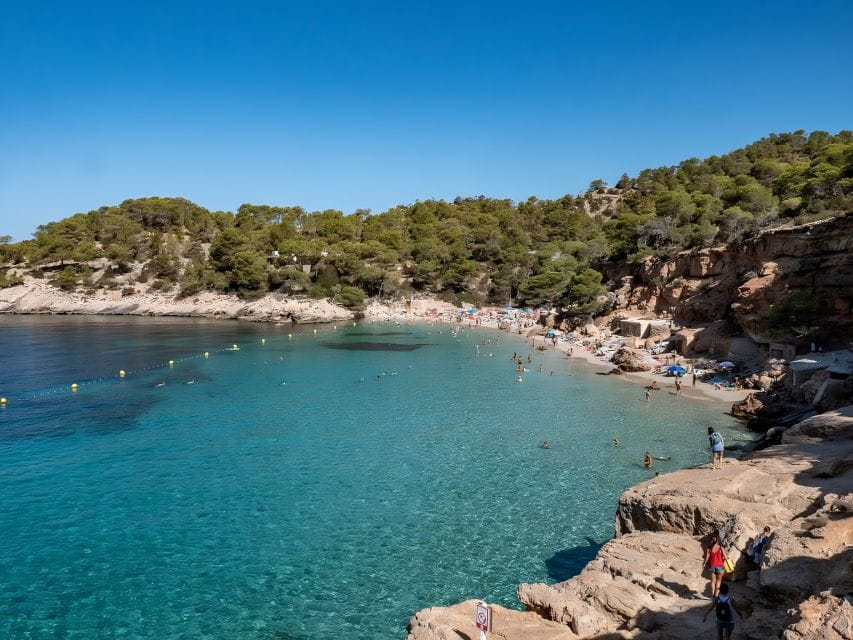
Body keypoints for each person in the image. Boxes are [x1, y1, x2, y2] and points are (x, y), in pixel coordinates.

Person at [703, 533, 728, 598]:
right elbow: (725, 557)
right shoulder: (720, 548)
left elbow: (707, 558)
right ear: (718, 540)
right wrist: (723, 558)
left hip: (712, 566)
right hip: (720, 566)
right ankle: (716, 595)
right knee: (718, 581)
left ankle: (712, 596)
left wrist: (704, 564)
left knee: (713, 582)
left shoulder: (709, 548)